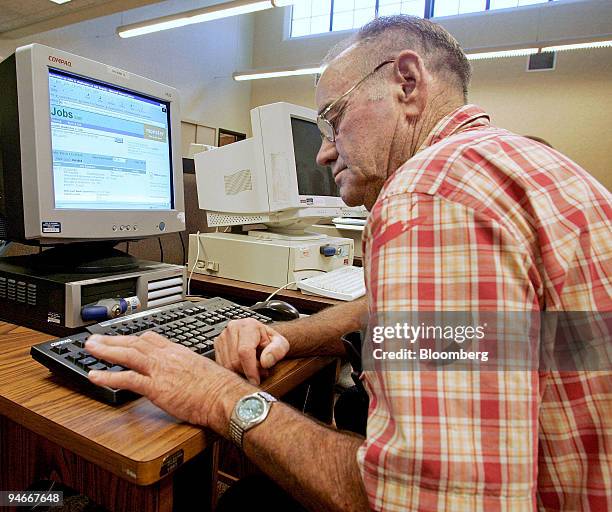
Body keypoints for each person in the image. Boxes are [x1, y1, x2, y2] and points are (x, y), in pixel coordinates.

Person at [84, 15, 611, 511]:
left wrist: (219, 395)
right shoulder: (515, 163)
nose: (322, 153)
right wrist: (290, 336)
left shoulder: (430, 193)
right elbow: (428, 323)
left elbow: (430, 501)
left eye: (334, 119)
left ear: (407, 83)